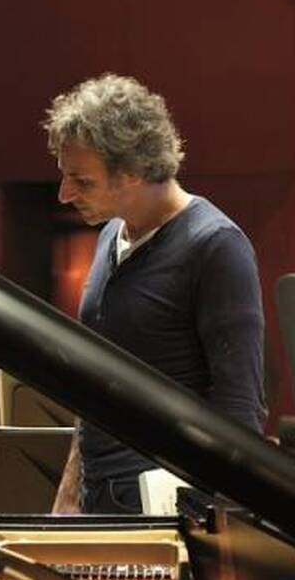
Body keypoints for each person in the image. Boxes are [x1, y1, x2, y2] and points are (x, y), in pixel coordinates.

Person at [44, 73, 267, 514]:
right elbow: (94, 379)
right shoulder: (109, 236)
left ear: (132, 173)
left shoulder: (216, 246)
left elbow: (240, 410)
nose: (64, 194)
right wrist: (69, 491)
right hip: (98, 505)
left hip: (168, 516)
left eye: (81, 181)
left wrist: (223, 535)